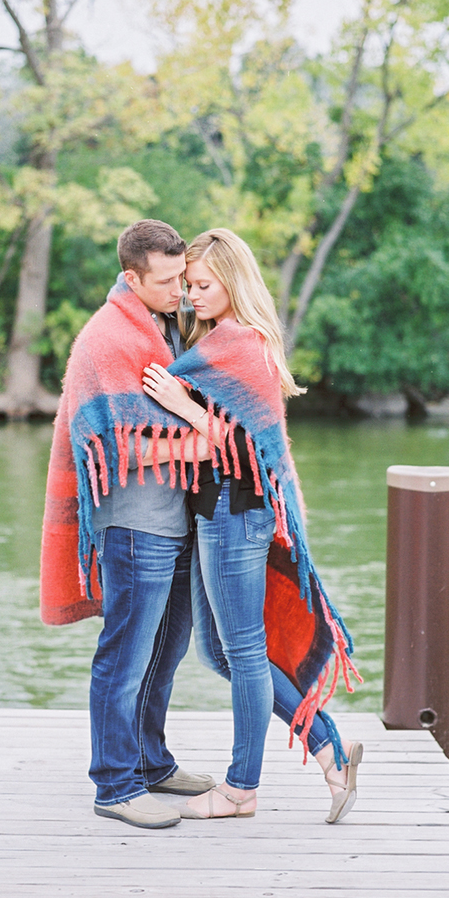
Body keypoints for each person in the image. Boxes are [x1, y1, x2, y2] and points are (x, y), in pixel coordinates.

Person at [141, 228, 362, 822]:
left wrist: (183, 405)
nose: (191, 296)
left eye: (202, 285)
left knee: (240, 651)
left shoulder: (243, 344)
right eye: (187, 285)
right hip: (217, 514)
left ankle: (241, 789)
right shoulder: (218, 341)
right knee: (221, 651)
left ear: (233, 282)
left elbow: (240, 444)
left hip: (236, 515)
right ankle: (330, 749)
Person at [40, 220, 215, 829]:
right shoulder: (107, 339)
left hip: (176, 520)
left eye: (182, 277)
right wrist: (198, 446)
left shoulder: (168, 323)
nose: (181, 291)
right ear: (132, 277)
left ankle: (151, 763)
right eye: (167, 282)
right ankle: (114, 785)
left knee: (167, 651)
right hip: (134, 526)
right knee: (125, 656)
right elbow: (112, 449)